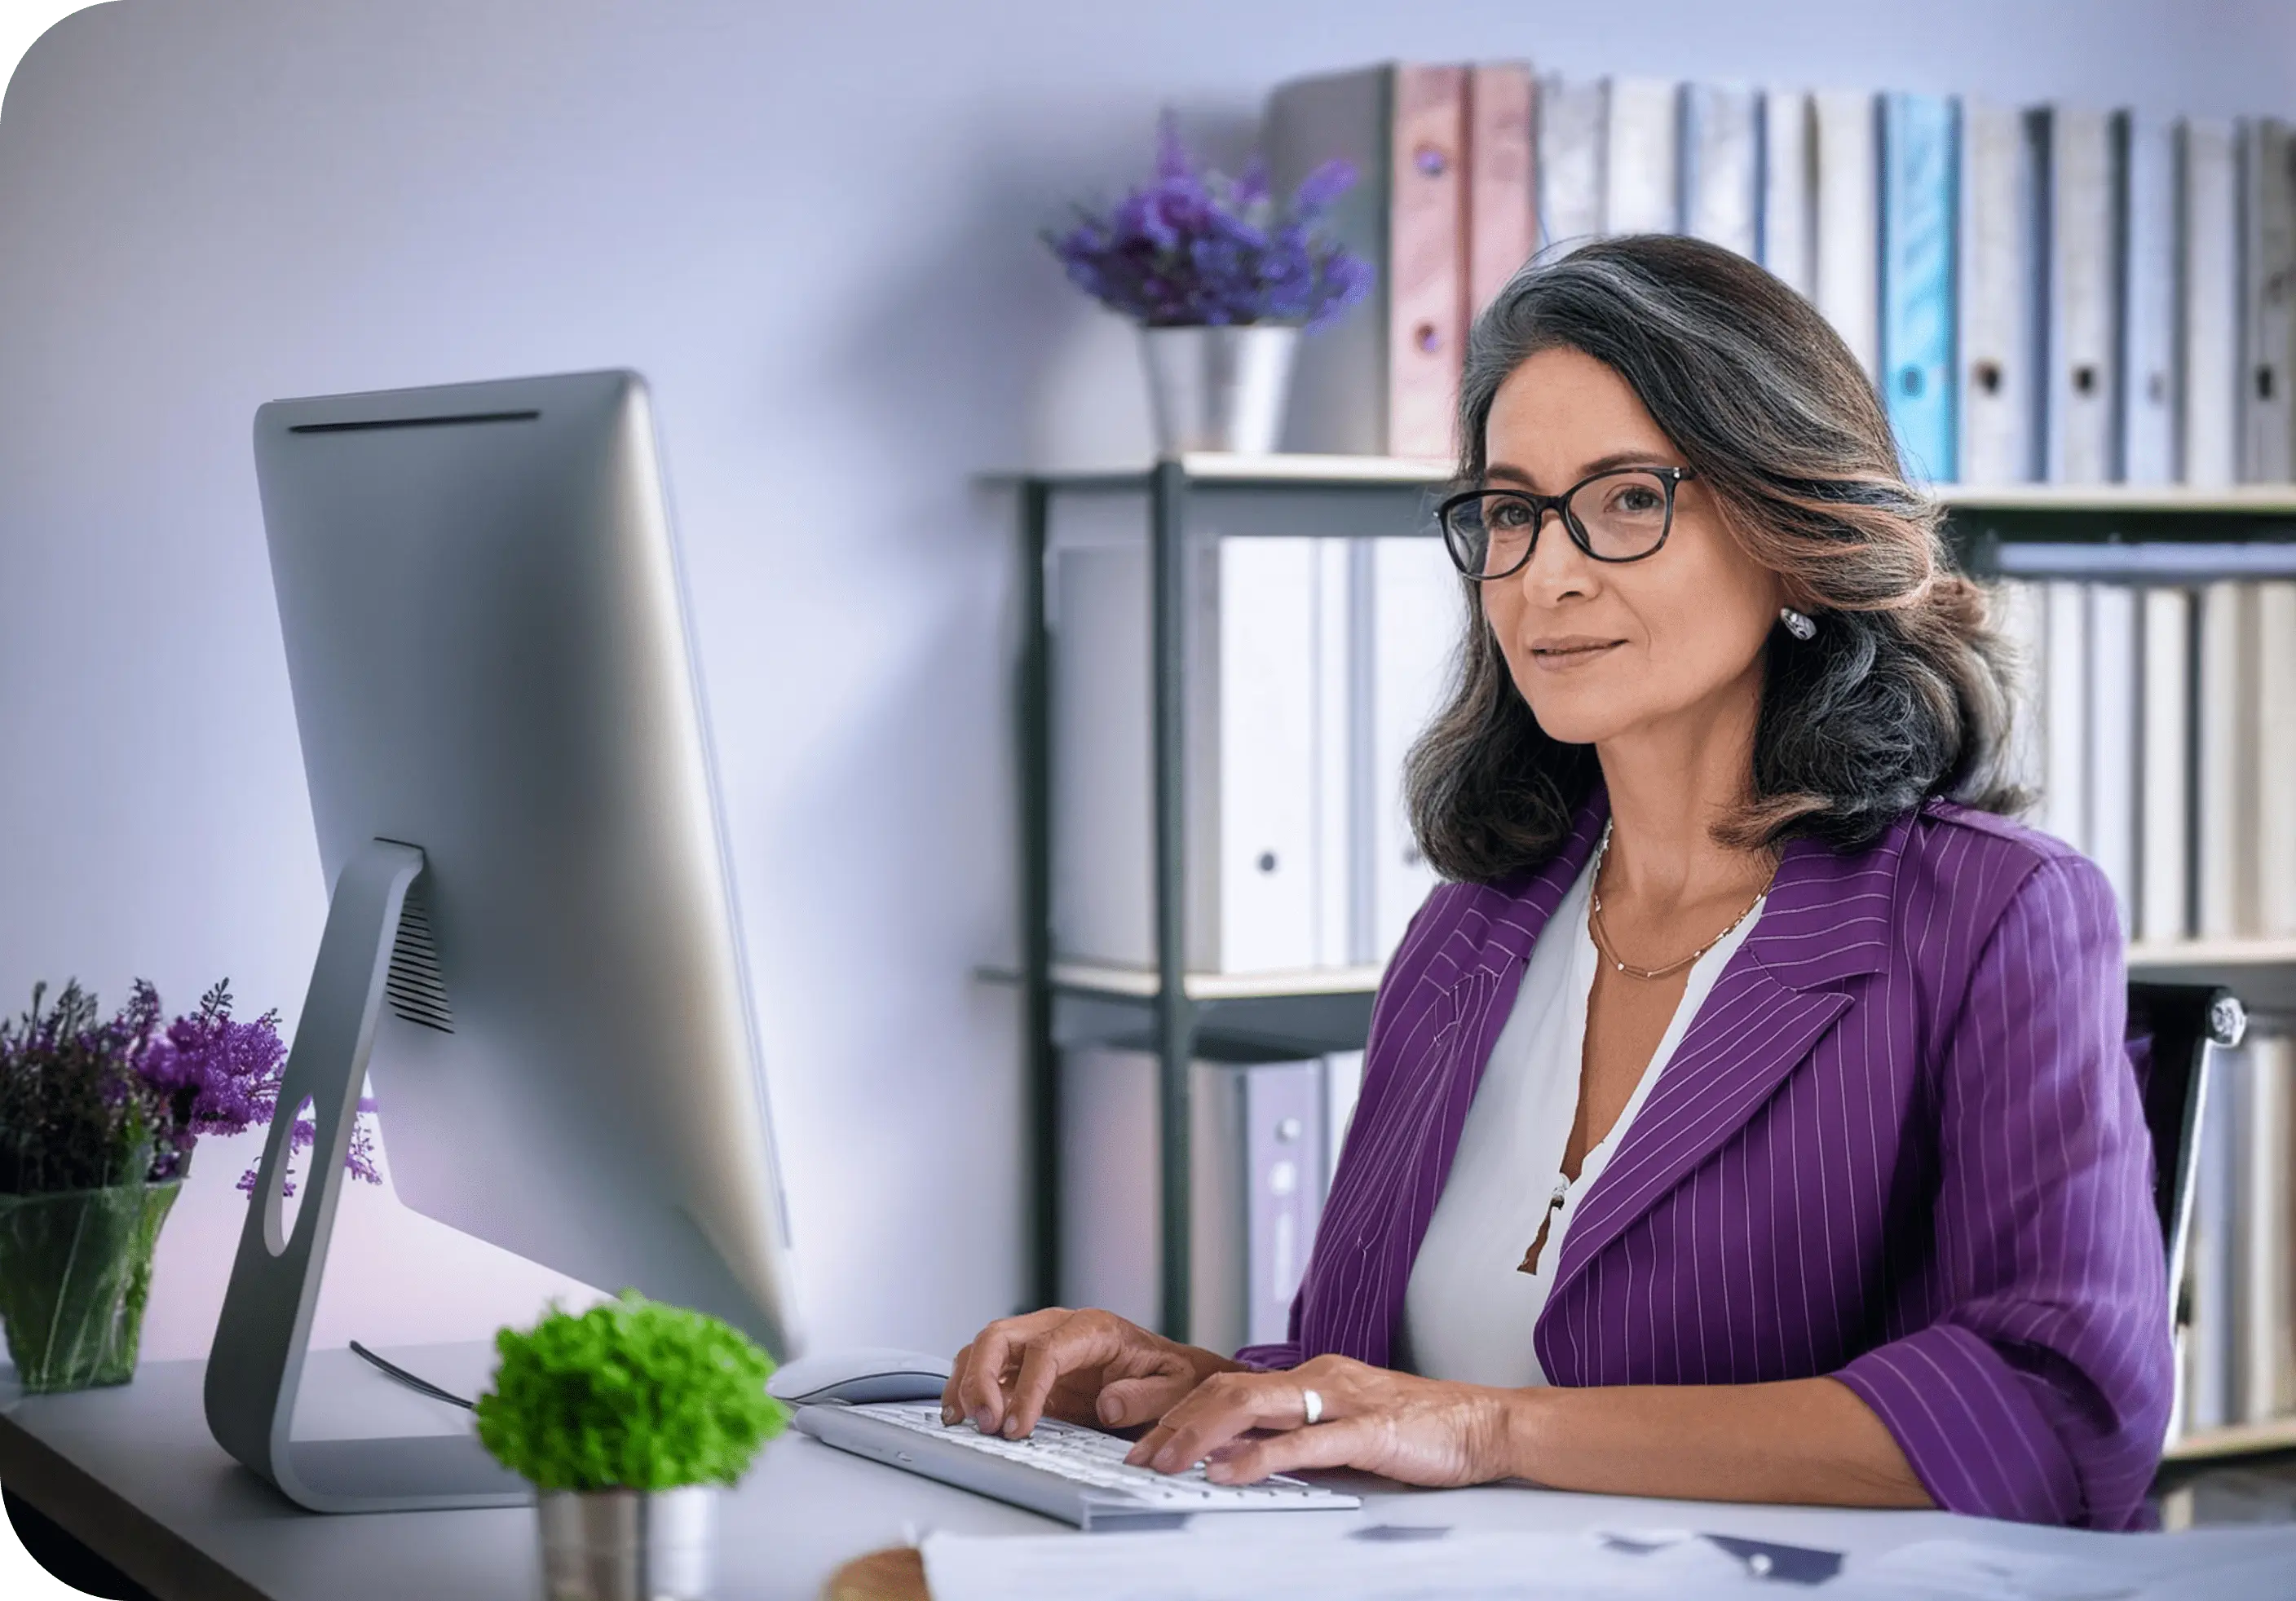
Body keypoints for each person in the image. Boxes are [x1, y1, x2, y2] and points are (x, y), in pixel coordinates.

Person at [945, 233, 2171, 1530]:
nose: (1549, 570)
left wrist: (1491, 1431)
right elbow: (1395, 1387)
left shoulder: (1990, 918)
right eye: (1512, 509)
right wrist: (1201, 1390)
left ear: (1791, 530)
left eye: (1629, 499)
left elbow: (2058, 1410)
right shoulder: (1471, 932)